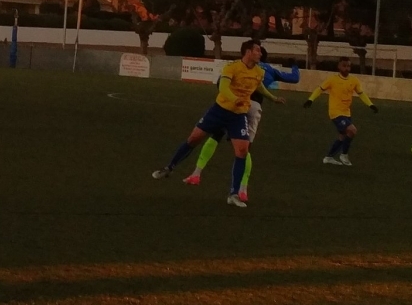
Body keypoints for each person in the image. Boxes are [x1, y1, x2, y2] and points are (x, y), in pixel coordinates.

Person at [152, 39, 282, 208]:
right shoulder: (231, 67)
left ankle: (233, 194)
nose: (260, 53)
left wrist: (272, 98)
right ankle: (169, 167)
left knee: (242, 151)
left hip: (238, 116)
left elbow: (259, 87)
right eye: (257, 50)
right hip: (218, 112)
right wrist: (234, 99)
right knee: (193, 140)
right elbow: (223, 87)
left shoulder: (259, 71)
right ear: (248, 52)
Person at [183, 47, 299, 200]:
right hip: (254, 106)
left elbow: (221, 83)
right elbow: (294, 78)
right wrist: (295, 65)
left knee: (215, 136)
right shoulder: (269, 69)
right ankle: (243, 189)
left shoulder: (238, 66)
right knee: (245, 149)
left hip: (235, 105)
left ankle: (196, 173)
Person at [303, 56, 378, 166]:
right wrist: (310, 99)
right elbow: (320, 89)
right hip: (335, 113)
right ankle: (344, 154)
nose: (346, 68)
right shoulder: (333, 79)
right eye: (344, 66)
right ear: (339, 66)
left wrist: (370, 104)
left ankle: (328, 157)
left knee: (343, 136)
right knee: (352, 130)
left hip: (346, 113)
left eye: (348, 66)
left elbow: (361, 93)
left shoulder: (354, 80)